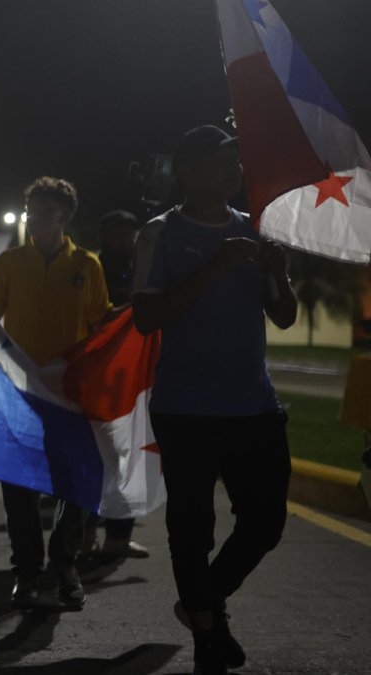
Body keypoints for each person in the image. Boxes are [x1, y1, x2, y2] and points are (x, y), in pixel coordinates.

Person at [131, 125, 296, 675]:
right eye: (219, 164)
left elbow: (285, 315)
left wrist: (279, 274)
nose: (232, 172)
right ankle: (208, 636)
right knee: (191, 527)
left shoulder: (255, 231)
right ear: (186, 171)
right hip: (186, 407)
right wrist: (214, 268)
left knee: (266, 522)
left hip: (254, 404)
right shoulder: (160, 233)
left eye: (234, 164)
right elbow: (146, 317)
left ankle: (200, 602)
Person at [0, 176, 112, 610]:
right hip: (20, 392)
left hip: (69, 392)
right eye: (30, 210)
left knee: (74, 484)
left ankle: (65, 563)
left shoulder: (87, 267)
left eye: (44, 211)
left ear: (65, 216)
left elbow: (101, 326)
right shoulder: (9, 262)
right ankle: (26, 572)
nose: (34, 218)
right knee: (19, 486)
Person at [82, 210, 150, 559]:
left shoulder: (145, 268)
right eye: (118, 234)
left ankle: (119, 538)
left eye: (130, 233)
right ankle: (85, 535)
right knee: (96, 457)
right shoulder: (93, 269)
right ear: (105, 235)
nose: (126, 240)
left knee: (129, 455)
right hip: (98, 377)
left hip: (132, 377)